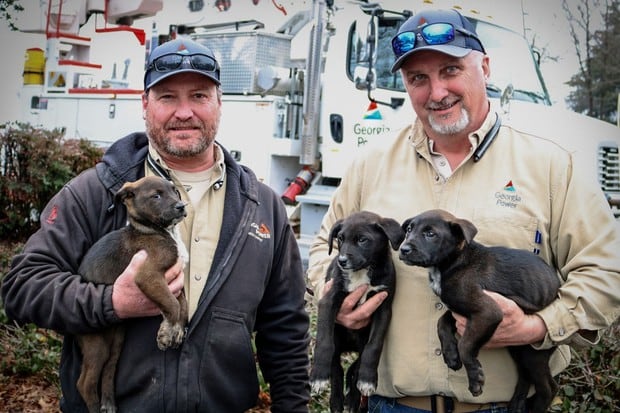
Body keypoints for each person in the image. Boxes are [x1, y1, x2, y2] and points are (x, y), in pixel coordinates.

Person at [307, 8, 620, 413]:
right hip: (390, 405)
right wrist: (337, 298)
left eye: (451, 70)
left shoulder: (551, 166)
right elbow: (322, 248)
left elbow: (606, 272)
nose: (436, 92)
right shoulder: (370, 164)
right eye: (418, 78)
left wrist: (536, 326)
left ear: (484, 67)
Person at [2, 37, 310, 412]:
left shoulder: (261, 207)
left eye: (199, 95)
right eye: (167, 97)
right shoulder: (97, 192)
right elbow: (21, 287)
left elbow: (286, 328)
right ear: (145, 104)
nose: (184, 112)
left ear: (219, 104)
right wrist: (111, 302)